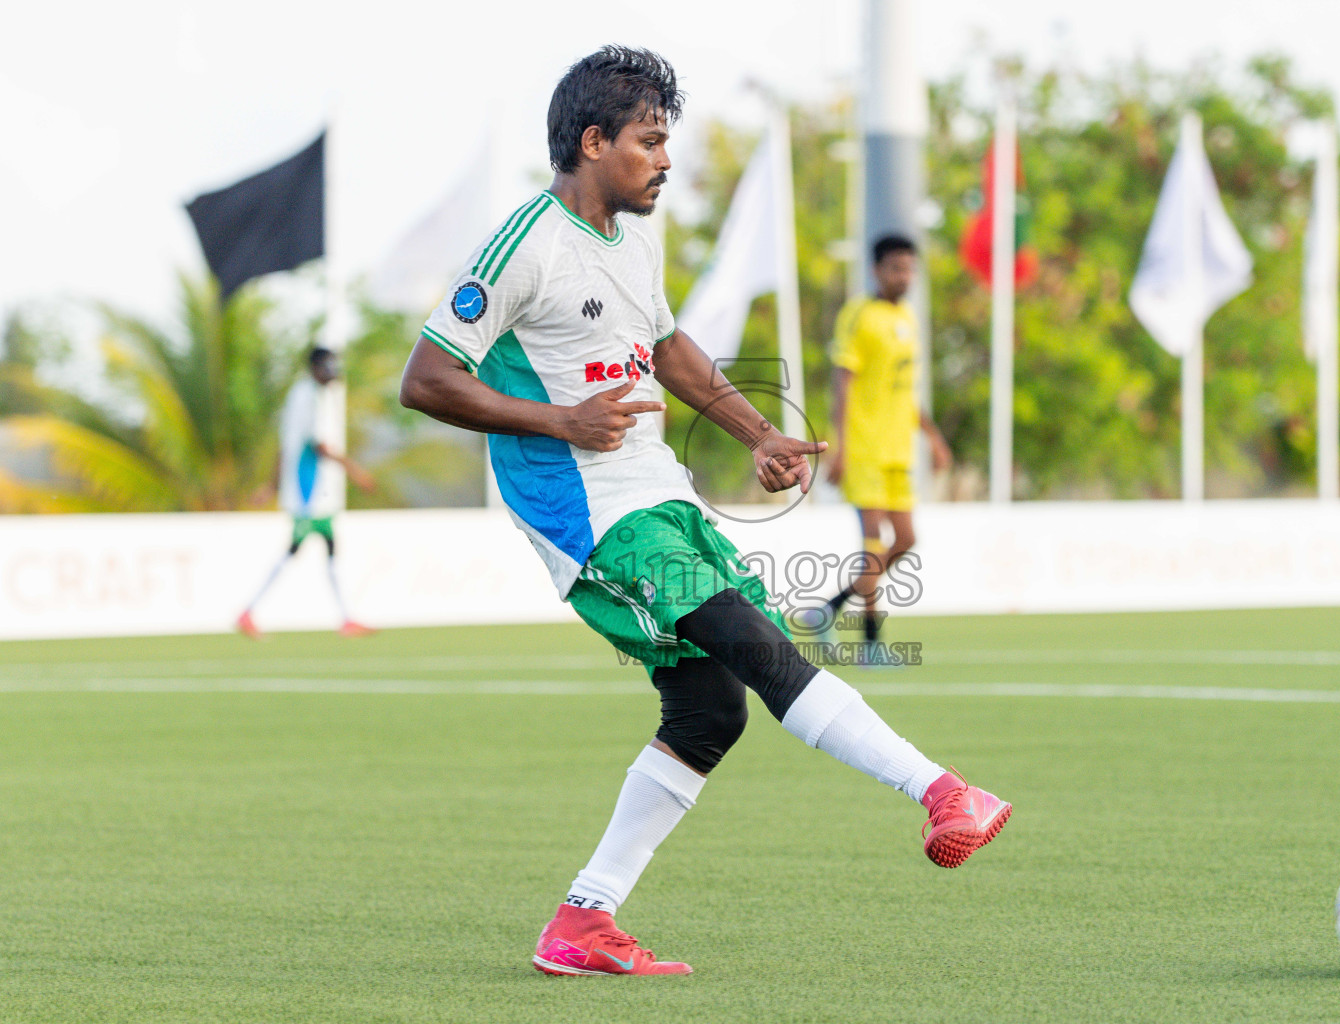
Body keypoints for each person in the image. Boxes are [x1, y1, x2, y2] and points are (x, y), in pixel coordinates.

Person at [398, 45, 1008, 978]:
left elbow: (669, 344)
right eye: (650, 142)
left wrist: (755, 430)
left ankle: (582, 923)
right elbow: (428, 378)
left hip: (657, 493)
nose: (666, 160)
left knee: (710, 709)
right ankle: (940, 790)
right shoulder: (524, 244)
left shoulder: (636, 232)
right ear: (595, 142)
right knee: (756, 645)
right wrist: (559, 418)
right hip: (590, 512)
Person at [820, 235, 952, 654]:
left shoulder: (908, 319)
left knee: (906, 539)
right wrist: (839, 445)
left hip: (898, 449)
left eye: (909, 268)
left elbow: (905, 391)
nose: (904, 276)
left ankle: (829, 608)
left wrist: (932, 437)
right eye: (896, 268)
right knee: (873, 544)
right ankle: (871, 643)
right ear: (877, 270)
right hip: (865, 448)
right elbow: (843, 381)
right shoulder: (859, 314)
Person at [238, 346, 376, 639]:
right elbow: (317, 445)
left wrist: (272, 485)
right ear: (316, 367)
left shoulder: (301, 395)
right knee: (300, 550)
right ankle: (249, 611)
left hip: (308, 489)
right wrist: (355, 471)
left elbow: (285, 444)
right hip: (307, 489)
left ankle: (346, 617)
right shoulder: (308, 397)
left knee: (325, 549)